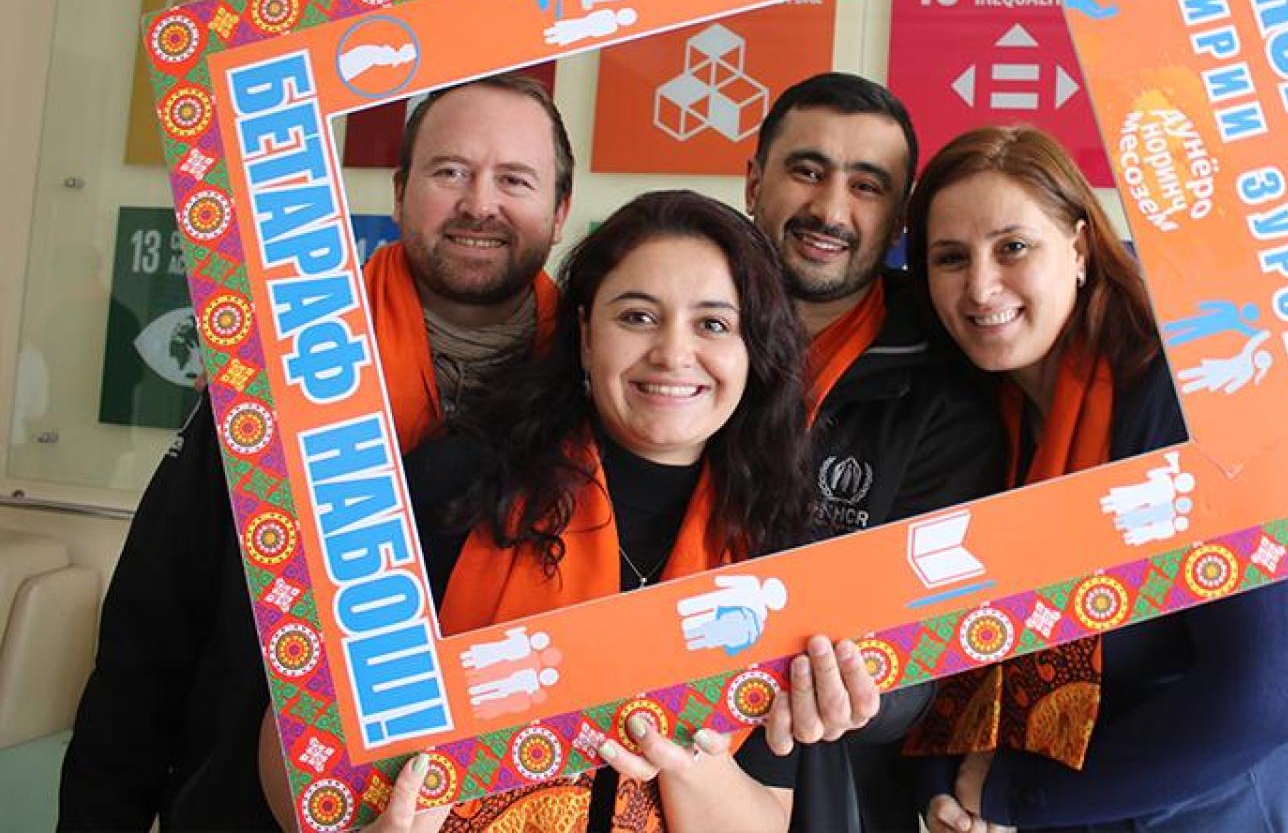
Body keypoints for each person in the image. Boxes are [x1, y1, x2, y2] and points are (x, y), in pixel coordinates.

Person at [59, 74, 574, 832]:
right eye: (450, 171)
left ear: (560, 209)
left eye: (515, 179)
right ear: (400, 191)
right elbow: (149, 632)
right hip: (243, 801)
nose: (478, 203)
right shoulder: (278, 364)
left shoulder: (597, 389)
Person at [905, 125, 1288, 832]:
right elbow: (957, 634)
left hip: (1233, 806)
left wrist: (1016, 796)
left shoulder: (1203, 393)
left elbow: (1266, 692)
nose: (980, 285)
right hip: (1072, 805)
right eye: (949, 257)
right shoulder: (977, 417)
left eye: (1013, 246)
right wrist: (948, 786)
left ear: (1082, 247)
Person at [353, 190, 820, 832]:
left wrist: (681, 755)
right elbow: (299, 737)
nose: (673, 354)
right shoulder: (453, 485)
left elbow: (765, 817)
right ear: (583, 334)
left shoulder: (776, 545)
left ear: (754, 351)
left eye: (712, 324)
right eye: (636, 317)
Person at [745, 73, 1007, 831]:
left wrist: (870, 686)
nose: (831, 209)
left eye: (867, 185)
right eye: (807, 170)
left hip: (838, 795)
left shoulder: (950, 380)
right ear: (755, 179)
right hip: (632, 764)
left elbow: (922, 653)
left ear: (900, 214)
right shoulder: (675, 337)